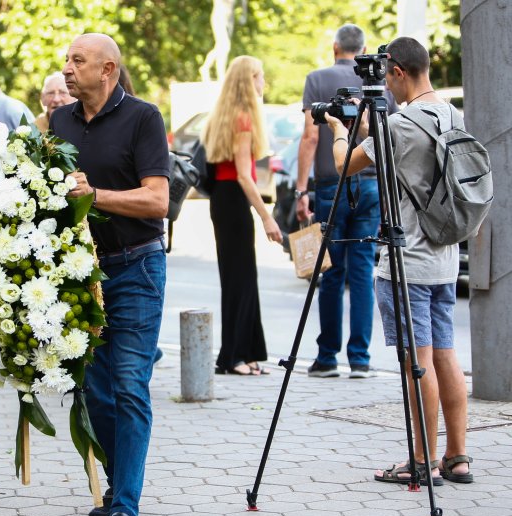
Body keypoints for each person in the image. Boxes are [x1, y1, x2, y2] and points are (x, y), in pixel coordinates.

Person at [324, 37, 472, 485]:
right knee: (445, 356)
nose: (386, 86)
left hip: (408, 260)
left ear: (399, 71)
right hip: (445, 255)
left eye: (387, 77)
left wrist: (338, 128)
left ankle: (422, 461)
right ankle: (457, 457)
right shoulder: (450, 114)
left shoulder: (404, 122)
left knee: (417, 361)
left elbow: (344, 163)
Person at [50, 33, 170, 516]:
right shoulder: (59, 122)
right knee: (92, 391)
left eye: (78, 61)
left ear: (109, 70)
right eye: (67, 60)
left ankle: (125, 505)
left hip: (137, 267)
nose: (68, 69)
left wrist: (94, 195)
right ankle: (120, 483)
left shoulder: (144, 118)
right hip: (83, 278)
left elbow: (158, 200)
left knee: (128, 384)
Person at [296, 24, 397, 379]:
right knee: (362, 271)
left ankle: (326, 357)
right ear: (363, 48)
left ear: (335, 46)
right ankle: (360, 358)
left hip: (329, 185)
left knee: (332, 273)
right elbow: (388, 139)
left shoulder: (317, 78)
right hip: (369, 185)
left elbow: (310, 136)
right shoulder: (379, 83)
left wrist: (300, 190)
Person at [201, 56, 282, 377]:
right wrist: (267, 216)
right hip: (234, 200)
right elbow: (244, 176)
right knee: (242, 280)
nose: (264, 82)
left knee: (238, 280)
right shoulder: (244, 119)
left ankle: (244, 355)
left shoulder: (221, 116)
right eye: (260, 76)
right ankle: (234, 357)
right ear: (249, 81)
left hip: (222, 201)